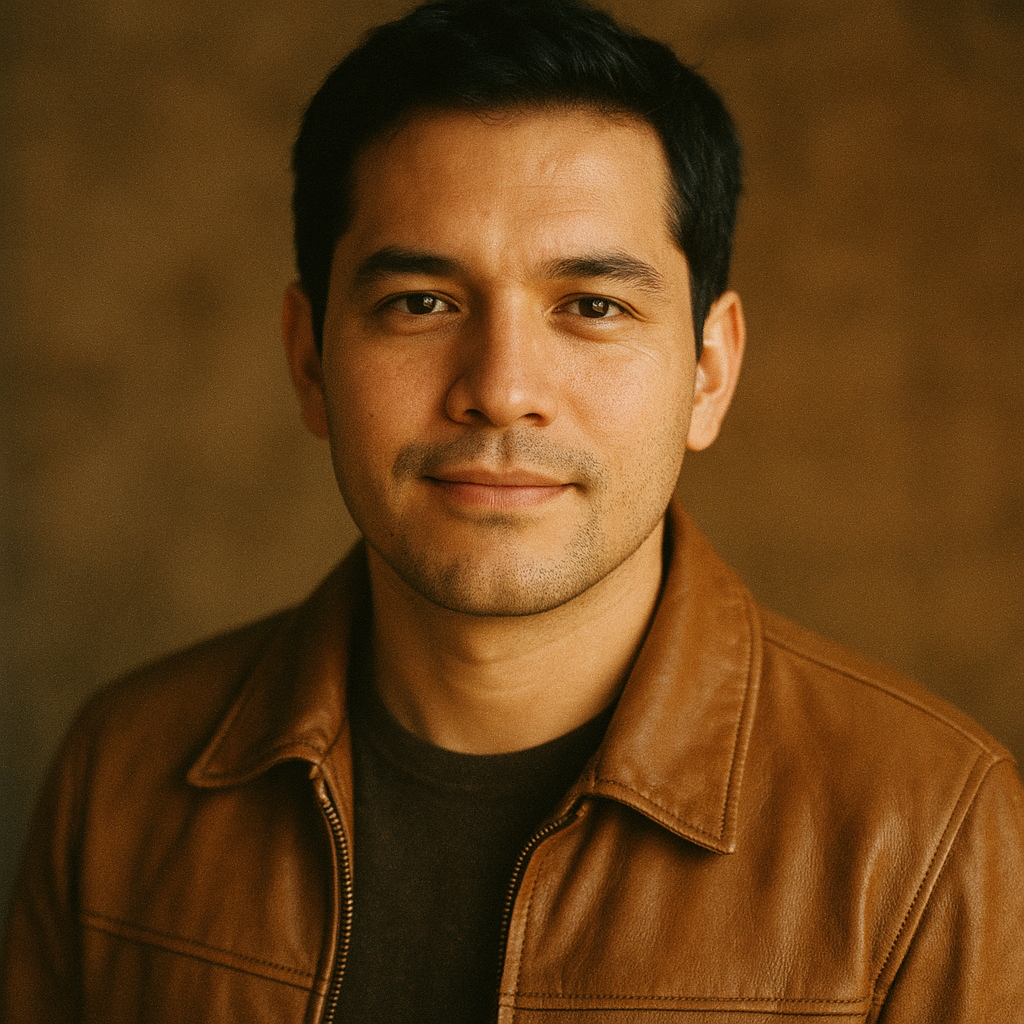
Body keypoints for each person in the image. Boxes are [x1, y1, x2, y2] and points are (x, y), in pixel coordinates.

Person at [4, 0, 1023, 1019]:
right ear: (308, 357)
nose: (499, 385)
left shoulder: (931, 831)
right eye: (421, 302)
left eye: (591, 306)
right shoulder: (124, 774)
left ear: (709, 372)